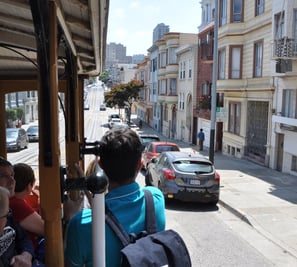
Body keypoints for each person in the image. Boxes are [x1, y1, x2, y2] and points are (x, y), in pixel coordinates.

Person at [64, 128, 166, 267]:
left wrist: (69, 219)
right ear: (139, 165)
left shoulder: (80, 225)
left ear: (100, 165)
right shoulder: (155, 200)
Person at [0, 157, 35, 267]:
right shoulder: (15, 205)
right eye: (4, 176)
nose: (12, 181)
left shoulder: (9, 211)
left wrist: (26, 255)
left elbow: (24, 239)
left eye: (12, 175)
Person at [10, 163, 44, 253]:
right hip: (29, 253)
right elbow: (48, 230)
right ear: (29, 186)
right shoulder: (16, 204)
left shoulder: (11, 200)